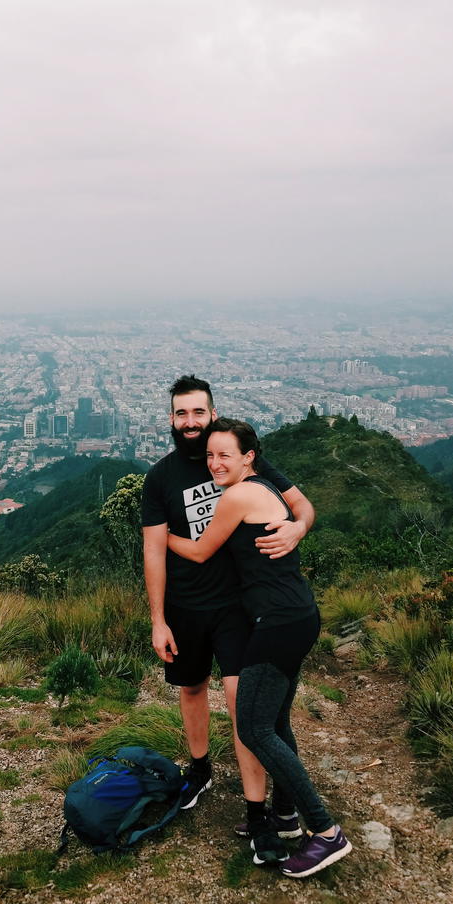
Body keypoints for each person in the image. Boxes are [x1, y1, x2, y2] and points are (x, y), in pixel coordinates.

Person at [167, 417, 352, 878]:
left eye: (224, 454)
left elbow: (199, 550)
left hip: (278, 624)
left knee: (252, 727)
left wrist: (156, 533)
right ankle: (285, 817)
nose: (214, 463)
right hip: (297, 615)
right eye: (210, 455)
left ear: (249, 457)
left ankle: (326, 832)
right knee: (274, 719)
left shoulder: (238, 495)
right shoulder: (265, 486)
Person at [141, 375, 314, 833]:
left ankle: (260, 807)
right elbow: (152, 553)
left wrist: (299, 527)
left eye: (199, 412)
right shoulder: (161, 477)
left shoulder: (237, 460)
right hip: (185, 606)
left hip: (238, 607)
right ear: (171, 419)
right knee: (192, 688)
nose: (190, 421)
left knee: (244, 705)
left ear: (212, 413)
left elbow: (301, 506)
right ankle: (200, 770)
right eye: (182, 413)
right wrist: (158, 620)